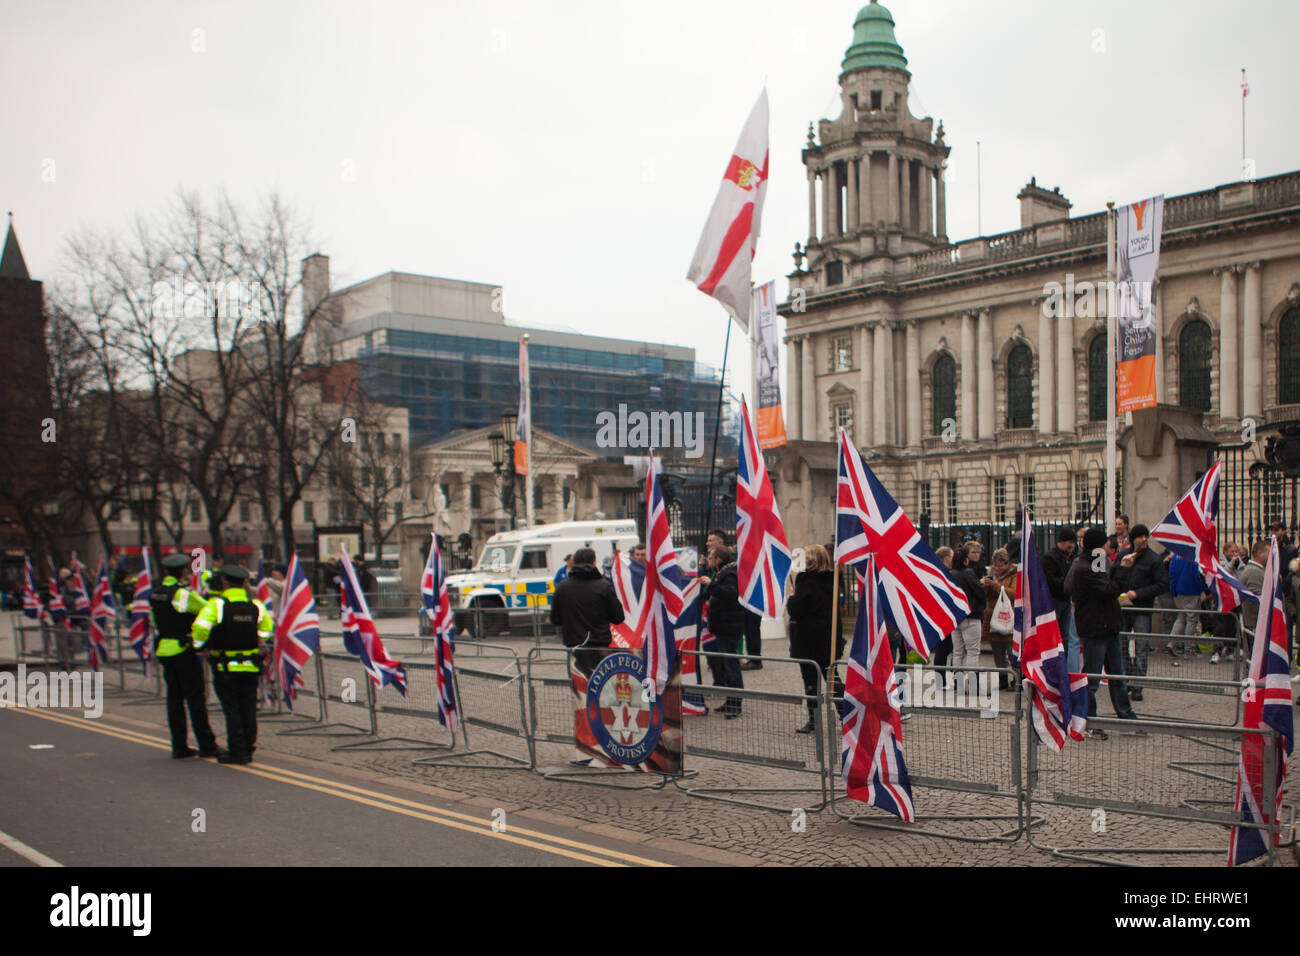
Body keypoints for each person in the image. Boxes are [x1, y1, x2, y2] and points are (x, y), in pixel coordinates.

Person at [550, 547, 625, 765]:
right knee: (605, 698)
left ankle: (585, 751)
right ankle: (610, 747)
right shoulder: (602, 586)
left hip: (576, 649)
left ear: (574, 563)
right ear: (593, 562)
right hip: (600, 647)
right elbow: (618, 616)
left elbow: (555, 619)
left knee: (581, 700)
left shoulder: (563, 587)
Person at [191, 565, 273, 765]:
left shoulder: (217, 605)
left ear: (225, 583)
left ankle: (237, 751)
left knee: (232, 709)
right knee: (249, 708)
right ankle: (248, 748)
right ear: (245, 583)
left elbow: (200, 628)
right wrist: (253, 639)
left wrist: (201, 645)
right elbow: (267, 630)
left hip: (225, 665)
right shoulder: (256, 605)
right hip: (251, 664)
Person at [1066, 527, 1139, 737]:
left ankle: (1126, 715)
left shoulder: (1095, 561)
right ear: (1099, 545)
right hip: (1095, 627)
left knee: (1117, 675)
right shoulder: (1084, 566)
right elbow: (1108, 589)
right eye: (1106, 544)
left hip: (1107, 625)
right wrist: (1123, 570)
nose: (1109, 547)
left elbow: (1106, 580)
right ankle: (1091, 720)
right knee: (1093, 678)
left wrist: (1117, 568)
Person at [154, 553, 219, 759]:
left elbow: (156, 620)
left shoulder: (156, 593)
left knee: (174, 699)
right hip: (183, 649)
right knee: (195, 699)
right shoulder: (182, 593)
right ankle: (207, 745)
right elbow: (206, 609)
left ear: (166, 571)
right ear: (183, 571)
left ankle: (179, 746)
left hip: (164, 648)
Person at [786, 544, 841, 734]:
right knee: (833, 679)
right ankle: (845, 715)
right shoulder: (832, 580)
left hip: (809, 639)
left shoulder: (806, 581)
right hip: (827, 638)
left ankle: (814, 720)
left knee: (810, 681)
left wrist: (792, 597)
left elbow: (796, 610)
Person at [1113, 523, 1168, 700]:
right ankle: (1128, 679)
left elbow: (1162, 584)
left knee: (1142, 647)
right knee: (1121, 646)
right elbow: (1113, 577)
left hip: (1142, 609)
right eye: (1140, 537)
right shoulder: (1122, 555)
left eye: (1146, 536)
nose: (1144, 539)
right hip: (1123, 608)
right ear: (1133, 539)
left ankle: (1138, 685)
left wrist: (1138, 593)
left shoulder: (1154, 559)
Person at [705, 546, 745, 717]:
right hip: (724, 626)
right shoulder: (725, 571)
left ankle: (736, 703)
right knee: (726, 666)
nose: (709, 560)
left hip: (729, 626)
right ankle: (730, 700)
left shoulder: (729, 574)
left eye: (711, 557)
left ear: (718, 559)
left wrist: (711, 584)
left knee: (731, 666)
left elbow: (730, 594)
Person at [949, 546, 986, 694]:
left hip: (955, 617)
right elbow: (980, 592)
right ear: (966, 560)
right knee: (972, 652)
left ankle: (958, 685)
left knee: (957, 652)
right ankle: (973, 686)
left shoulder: (950, 574)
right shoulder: (968, 573)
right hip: (971, 616)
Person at [981, 548, 1018, 691]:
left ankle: (1016, 679)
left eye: (1001, 565)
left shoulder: (1014, 575)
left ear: (1007, 563)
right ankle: (1002, 679)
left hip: (1008, 617)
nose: (998, 568)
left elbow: (1013, 593)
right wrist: (986, 585)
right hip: (993, 617)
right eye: (995, 565)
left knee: (1011, 650)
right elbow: (988, 595)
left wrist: (996, 586)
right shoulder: (991, 573)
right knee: (997, 652)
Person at [1041, 526, 1076, 660]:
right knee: (1054, 634)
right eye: (1069, 542)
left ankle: (1063, 661)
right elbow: (1050, 580)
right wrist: (1066, 586)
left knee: (1065, 634)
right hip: (1054, 600)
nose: (1072, 545)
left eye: (1073, 542)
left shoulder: (1071, 557)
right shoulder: (1050, 557)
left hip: (1065, 599)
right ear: (1062, 541)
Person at [1167, 554, 1206, 657]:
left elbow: (1171, 574)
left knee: (1180, 618)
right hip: (1192, 591)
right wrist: (1202, 589)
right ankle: (1188, 649)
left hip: (1178, 591)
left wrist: (1173, 591)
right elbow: (1196, 575)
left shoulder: (1175, 556)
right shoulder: (1192, 555)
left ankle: (1171, 643)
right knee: (1191, 620)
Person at [931, 548, 955, 670]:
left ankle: (941, 680)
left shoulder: (934, 570)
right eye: (952, 556)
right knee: (947, 649)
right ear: (947, 558)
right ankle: (946, 679)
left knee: (943, 649)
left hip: (938, 614)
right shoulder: (946, 573)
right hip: (946, 615)